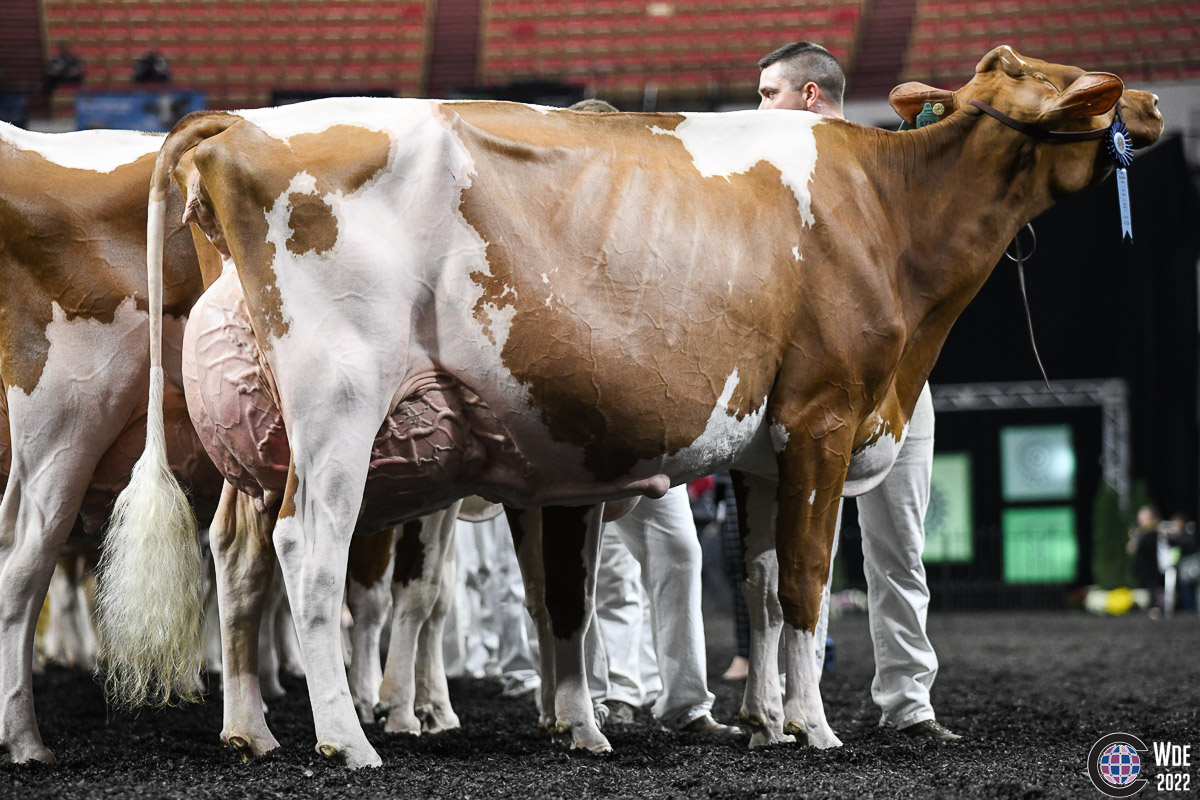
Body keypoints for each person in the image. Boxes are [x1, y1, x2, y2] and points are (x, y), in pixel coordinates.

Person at [754, 41, 961, 743]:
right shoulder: (764, 170)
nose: (761, 107)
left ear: (810, 95)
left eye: (770, 93)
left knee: (899, 549)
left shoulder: (889, 162)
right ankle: (794, 697)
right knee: (800, 547)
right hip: (809, 385)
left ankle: (909, 702)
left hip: (896, 380)